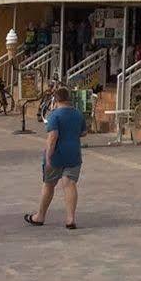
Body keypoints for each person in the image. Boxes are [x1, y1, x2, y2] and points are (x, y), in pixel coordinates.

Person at [26, 86, 84, 230]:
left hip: (57, 154)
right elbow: (84, 133)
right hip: (74, 153)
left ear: (56, 100)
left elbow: (52, 137)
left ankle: (40, 216)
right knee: (69, 184)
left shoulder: (54, 115)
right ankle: (70, 219)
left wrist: (48, 156)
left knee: (49, 184)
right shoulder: (78, 114)